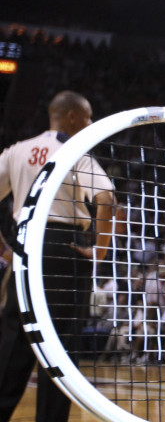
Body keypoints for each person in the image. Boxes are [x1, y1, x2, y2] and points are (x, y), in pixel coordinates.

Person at [0, 91, 116, 422]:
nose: (91, 123)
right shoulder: (75, 151)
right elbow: (107, 200)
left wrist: (5, 251)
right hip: (64, 247)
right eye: (88, 116)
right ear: (71, 117)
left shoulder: (17, 150)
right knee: (60, 349)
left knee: (14, 340)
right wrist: (100, 250)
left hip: (25, 244)